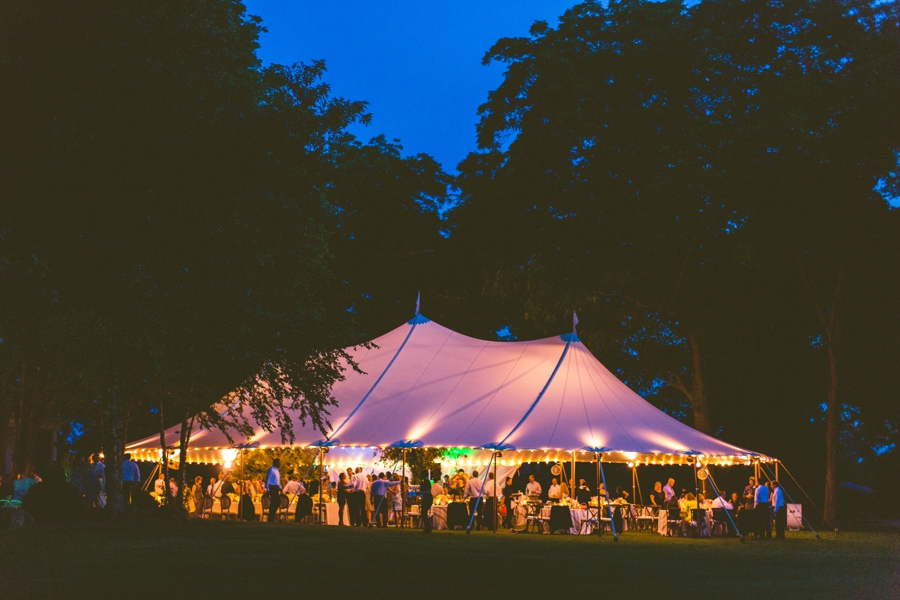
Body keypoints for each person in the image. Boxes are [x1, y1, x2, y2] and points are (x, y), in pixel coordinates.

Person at [265, 458, 282, 523]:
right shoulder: (271, 469)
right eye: (279, 462)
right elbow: (268, 479)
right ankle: (271, 516)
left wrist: (280, 487)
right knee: (276, 501)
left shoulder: (277, 470)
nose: (280, 464)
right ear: (275, 463)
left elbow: (277, 480)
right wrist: (267, 488)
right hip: (272, 487)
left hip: (276, 487)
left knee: (275, 502)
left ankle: (271, 516)